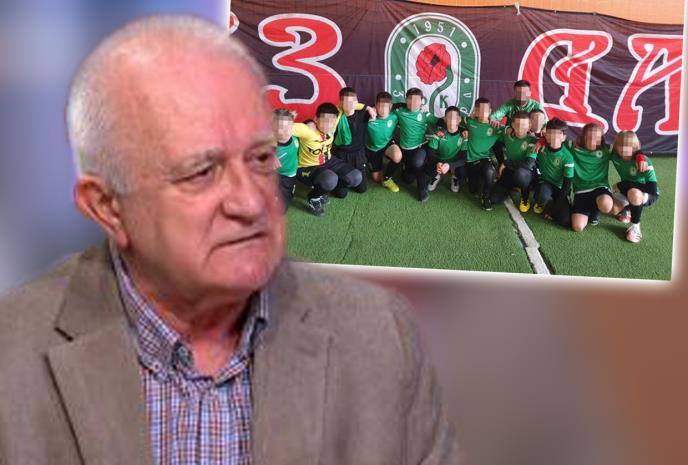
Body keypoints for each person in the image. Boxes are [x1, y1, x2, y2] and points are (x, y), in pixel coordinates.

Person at [0, 15, 462, 465]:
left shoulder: (383, 336)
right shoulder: (14, 355)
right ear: (106, 207)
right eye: (201, 171)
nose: (251, 201)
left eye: (259, 158)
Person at [294, 102, 363, 216]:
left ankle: (324, 188)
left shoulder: (333, 125)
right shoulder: (307, 130)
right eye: (324, 120)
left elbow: (346, 103)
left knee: (356, 177)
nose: (328, 125)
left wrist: (367, 108)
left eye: (332, 121)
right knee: (330, 179)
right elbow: (281, 127)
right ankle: (313, 197)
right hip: (306, 167)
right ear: (316, 119)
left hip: (328, 161)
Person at [609, 131, 659, 243]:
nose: (625, 150)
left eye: (629, 146)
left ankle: (636, 227)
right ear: (616, 146)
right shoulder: (615, 155)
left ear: (635, 147)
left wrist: (623, 185)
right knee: (612, 209)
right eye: (621, 146)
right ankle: (628, 210)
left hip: (646, 193)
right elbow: (601, 147)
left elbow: (652, 189)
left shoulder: (644, 161)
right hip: (627, 190)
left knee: (634, 193)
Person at [392, 88, 440, 201]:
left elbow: (441, 121)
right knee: (407, 179)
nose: (413, 102)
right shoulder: (399, 111)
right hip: (405, 149)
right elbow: (386, 106)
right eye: (410, 99)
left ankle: (422, 189)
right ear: (406, 100)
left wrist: (445, 130)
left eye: (416, 100)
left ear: (421, 101)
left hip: (420, 146)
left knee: (417, 163)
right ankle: (416, 170)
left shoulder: (424, 113)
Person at [490, 80, 547, 165]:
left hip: (528, 137)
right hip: (512, 135)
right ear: (514, 93)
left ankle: (534, 166)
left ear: (530, 93)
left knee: (544, 143)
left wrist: (540, 139)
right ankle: (501, 163)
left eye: (524, 93)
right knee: (495, 138)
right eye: (518, 92)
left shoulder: (537, 106)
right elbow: (494, 116)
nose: (521, 96)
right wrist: (494, 120)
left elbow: (547, 125)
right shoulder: (509, 104)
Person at [332, 86, 376, 194]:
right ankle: (340, 176)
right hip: (341, 155)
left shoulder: (364, 114)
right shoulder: (335, 116)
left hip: (358, 155)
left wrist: (369, 108)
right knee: (340, 194)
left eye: (353, 101)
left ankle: (354, 174)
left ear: (357, 102)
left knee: (361, 189)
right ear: (340, 103)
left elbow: (376, 111)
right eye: (346, 102)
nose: (350, 104)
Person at [489, 111, 537, 211]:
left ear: (529, 126)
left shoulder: (532, 140)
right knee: (493, 199)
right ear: (512, 125)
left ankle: (525, 196)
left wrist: (505, 163)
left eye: (524, 125)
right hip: (510, 169)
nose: (520, 129)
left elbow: (528, 164)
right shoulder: (507, 133)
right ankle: (512, 186)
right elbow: (492, 128)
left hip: (525, 171)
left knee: (520, 174)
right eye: (517, 125)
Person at [570, 123, 614, 232]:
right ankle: (592, 210)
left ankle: (595, 210)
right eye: (589, 137)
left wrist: (639, 155)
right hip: (581, 191)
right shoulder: (572, 147)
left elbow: (627, 148)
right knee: (578, 227)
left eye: (597, 138)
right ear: (583, 137)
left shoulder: (607, 149)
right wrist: (541, 141)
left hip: (600, 188)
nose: (593, 141)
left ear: (601, 139)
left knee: (606, 205)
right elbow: (555, 142)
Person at [532, 118, 574, 227]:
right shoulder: (541, 146)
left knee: (565, 221)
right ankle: (544, 202)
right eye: (550, 133)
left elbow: (566, 186)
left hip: (560, 189)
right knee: (541, 195)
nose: (554, 137)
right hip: (545, 183)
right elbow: (526, 136)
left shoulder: (567, 157)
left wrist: (553, 211)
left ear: (564, 137)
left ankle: (552, 205)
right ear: (546, 135)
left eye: (558, 134)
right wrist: (540, 140)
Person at [463, 97, 503, 211]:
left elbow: (511, 133)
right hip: (469, 161)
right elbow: (455, 122)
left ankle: (485, 197)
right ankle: (476, 179)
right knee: (472, 190)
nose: (483, 113)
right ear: (475, 111)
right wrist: (463, 129)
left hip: (484, 158)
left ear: (490, 111)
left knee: (490, 171)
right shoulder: (469, 122)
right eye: (479, 110)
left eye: (485, 110)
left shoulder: (495, 127)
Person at [425, 106, 469, 195]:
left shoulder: (463, 136)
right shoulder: (439, 133)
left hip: (454, 163)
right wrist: (437, 163)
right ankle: (436, 176)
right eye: (449, 118)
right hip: (440, 161)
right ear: (445, 119)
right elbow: (430, 153)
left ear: (459, 119)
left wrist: (450, 166)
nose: (452, 120)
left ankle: (455, 177)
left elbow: (464, 158)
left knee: (462, 171)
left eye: (455, 118)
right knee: (427, 166)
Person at [366, 91, 402, 192]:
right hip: (372, 149)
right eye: (380, 106)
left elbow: (404, 107)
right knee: (377, 179)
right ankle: (375, 165)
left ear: (390, 106)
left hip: (387, 144)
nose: (383, 109)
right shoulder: (368, 116)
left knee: (397, 155)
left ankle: (387, 178)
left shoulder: (394, 116)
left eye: (386, 106)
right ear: (375, 105)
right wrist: (367, 109)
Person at [272, 108, 299, 211]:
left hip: (289, 175)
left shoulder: (295, 136)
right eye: (280, 127)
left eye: (288, 127)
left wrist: (311, 123)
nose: (285, 131)